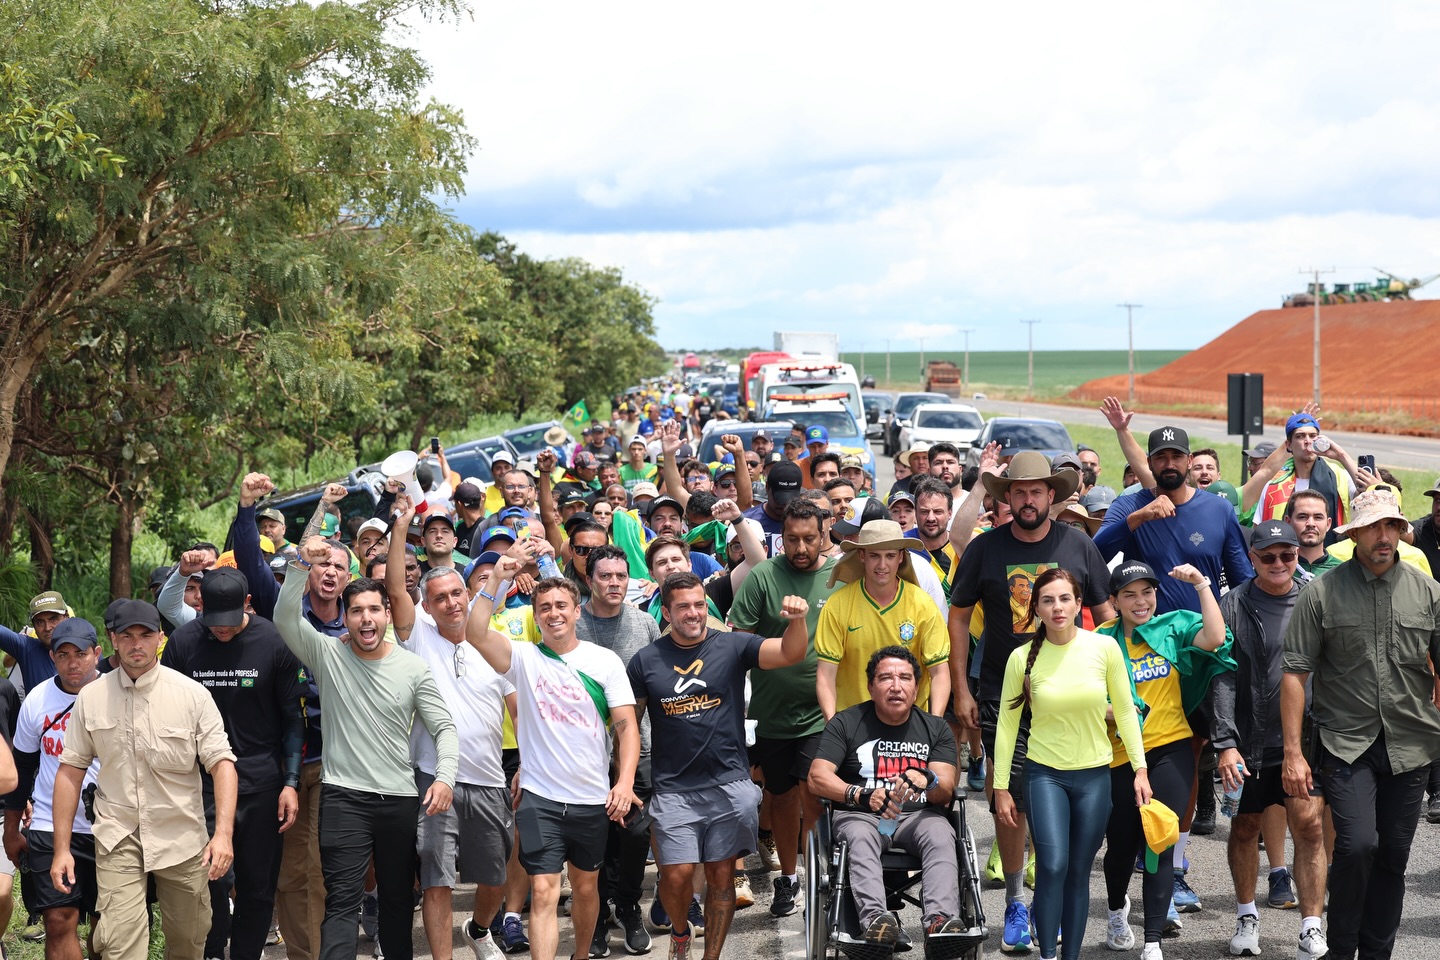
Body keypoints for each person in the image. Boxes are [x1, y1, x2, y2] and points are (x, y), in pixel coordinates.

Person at [948, 452, 1115, 951]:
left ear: (1051, 495)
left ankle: (1052, 903)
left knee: (1060, 800)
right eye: (1018, 492)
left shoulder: (1078, 544)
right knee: (1009, 802)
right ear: (1007, 498)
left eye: (1036, 491)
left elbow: (1107, 617)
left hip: (1071, 697)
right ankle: (1016, 903)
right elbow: (958, 617)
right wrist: (961, 687)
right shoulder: (985, 548)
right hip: (1005, 696)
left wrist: (1112, 686)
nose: (1027, 500)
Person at [275, 538, 458, 960]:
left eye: (374, 609)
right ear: (346, 618)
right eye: (356, 611)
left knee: (397, 900)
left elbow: (444, 727)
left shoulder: (413, 667)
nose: (366, 618)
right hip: (343, 797)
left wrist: (445, 777)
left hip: (399, 800)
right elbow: (284, 616)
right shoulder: (327, 654)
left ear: (387, 615)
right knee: (341, 901)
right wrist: (301, 564)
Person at [1281, 487, 1440, 960]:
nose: (1383, 536)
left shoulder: (1429, 592)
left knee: (1393, 856)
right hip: (1345, 742)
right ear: (1353, 535)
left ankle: (1376, 953)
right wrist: (1293, 754)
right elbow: (1294, 674)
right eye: (1373, 527)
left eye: (1392, 526)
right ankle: (1341, 948)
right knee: (1355, 846)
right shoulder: (1321, 592)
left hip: (1411, 743)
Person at [627, 572, 810, 960]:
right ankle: (680, 933)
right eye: (683, 607)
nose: (693, 613)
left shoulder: (731, 645)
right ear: (666, 612)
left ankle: (710, 957)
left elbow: (790, 653)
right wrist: (624, 778)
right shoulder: (646, 660)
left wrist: (797, 621)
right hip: (674, 788)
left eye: (699, 604)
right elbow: (629, 726)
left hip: (728, 782)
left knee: (721, 876)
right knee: (675, 875)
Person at [465, 565, 641, 960]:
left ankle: (580, 954)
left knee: (585, 888)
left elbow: (627, 727)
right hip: (539, 797)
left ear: (577, 611)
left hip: (591, 797)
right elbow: (475, 632)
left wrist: (625, 782)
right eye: (544, 607)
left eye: (561, 605)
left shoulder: (605, 662)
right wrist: (497, 579)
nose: (553, 613)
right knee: (543, 891)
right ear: (536, 614)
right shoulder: (522, 657)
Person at [52, 600, 232, 960]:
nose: (137, 644)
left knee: (188, 940)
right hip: (118, 837)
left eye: (145, 635)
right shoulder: (92, 697)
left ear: (160, 638)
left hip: (182, 837)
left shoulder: (192, 695)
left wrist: (223, 835)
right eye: (127, 636)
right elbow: (70, 771)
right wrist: (61, 850)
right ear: (113, 639)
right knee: (120, 944)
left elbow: (222, 764)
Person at [992, 569, 1149, 960]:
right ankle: (1048, 954)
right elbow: (1007, 725)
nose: (1057, 607)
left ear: (1079, 604)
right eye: (1047, 600)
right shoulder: (1020, 658)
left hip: (1095, 776)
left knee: (1078, 871)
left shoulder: (1104, 648)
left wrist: (1140, 769)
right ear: (1036, 609)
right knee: (1053, 866)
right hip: (1044, 775)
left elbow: (1125, 711)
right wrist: (1000, 787)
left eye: (1065, 599)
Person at [382, 498, 514, 960]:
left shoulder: (494, 642)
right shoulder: (417, 635)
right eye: (440, 598)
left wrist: (529, 764)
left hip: (489, 778)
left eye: (457, 593)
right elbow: (395, 588)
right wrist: (402, 527)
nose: (451, 603)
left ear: (468, 595)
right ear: (427, 605)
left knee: (495, 877)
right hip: (434, 777)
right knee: (436, 880)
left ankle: (478, 930)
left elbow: (519, 709)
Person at [160, 568, 306, 960]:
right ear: (199, 605)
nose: (221, 629)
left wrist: (290, 782)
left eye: (229, 621)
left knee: (258, 887)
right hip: (201, 784)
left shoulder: (274, 640)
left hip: (261, 782)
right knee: (207, 880)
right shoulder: (183, 643)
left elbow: (293, 718)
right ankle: (211, 950)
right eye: (213, 621)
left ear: (248, 604)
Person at [1097, 562, 1233, 960]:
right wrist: (1114, 711)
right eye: (1129, 595)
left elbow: (1216, 636)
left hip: (1171, 747)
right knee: (1121, 846)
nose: (1141, 602)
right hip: (1120, 755)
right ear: (1114, 601)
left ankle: (1153, 941)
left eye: (1147, 592)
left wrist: (1202, 584)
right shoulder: (1100, 640)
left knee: (1160, 840)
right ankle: (1116, 909)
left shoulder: (1173, 626)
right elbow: (1085, 697)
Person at [1211, 519, 1329, 959]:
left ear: (1298, 554)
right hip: (1249, 740)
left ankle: (1312, 926)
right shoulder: (1232, 604)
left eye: (1288, 554)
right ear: (1253, 558)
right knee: (1245, 827)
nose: (1279, 563)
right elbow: (1221, 676)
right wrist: (1226, 743)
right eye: (1268, 556)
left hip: (1307, 738)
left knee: (1310, 827)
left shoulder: (1316, 598)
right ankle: (1246, 916)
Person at [807, 646, 965, 945]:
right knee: (859, 836)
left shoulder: (936, 728)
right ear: (870, 686)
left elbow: (946, 790)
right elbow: (817, 776)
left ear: (916, 688)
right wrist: (859, 794)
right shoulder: (846, 722)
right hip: (862, 815)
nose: (895, 686)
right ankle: (876, 922)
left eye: (905, 678)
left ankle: (940, 922)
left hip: (918, 816)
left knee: (942, 834)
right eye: (885, 678)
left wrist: (928, 779)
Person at [728, 498, 839, 918]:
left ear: (824, 533)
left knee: (814, 793)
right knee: (781, 797)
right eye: (792, 539)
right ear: (781, 539)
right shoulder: (763, 576)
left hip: (821, 713)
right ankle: (789, 878)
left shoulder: (839, 576)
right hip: (771, 714)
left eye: (809, 538)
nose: (800, 547)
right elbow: (738, 642)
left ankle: (819, 876)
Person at [577, 546, 662, 957]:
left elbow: (660, 682)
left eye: (621, 576)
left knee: (635, 833)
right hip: (583, 753)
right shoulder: (571, 622)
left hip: (638, 749)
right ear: (588, 579)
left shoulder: (645, 623)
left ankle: (628, 906)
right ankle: (594, 918)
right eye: (605, 576)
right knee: (593, 838)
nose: (614, 583)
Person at [1094, 426, 1254, 612]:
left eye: (1177, 456)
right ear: (1149, 463)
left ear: (1189, 460)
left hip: (1203, 627)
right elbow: (1095, 554)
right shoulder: (1129, 506)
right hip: (1146, 627)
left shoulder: (1220, 509)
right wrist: (1139, 517)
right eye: (1161, 457)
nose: (1169, 464)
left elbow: (1242, 581)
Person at [7, 619, 87, 960]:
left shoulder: (115, 692)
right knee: (57, 920)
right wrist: (11, 828)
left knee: (109, 926)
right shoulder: (38, 699)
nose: (72, 663)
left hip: (109, 824)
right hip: (48, 824)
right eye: (63, 655)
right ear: (52, 657)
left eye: (80, 654)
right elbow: (22, 768)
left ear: (97, 653)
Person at [816, 520, 949, 719]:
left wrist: (934, 724)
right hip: (853, 724)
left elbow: (939, 672)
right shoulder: (837, 605)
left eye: (890, 556)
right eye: (874, 556)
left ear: (901, 557)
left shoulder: (923, 604)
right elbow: (825, 674)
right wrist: (833, 724)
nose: (882, 565)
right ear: (862, 556)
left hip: (911, 724)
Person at [1252, 413, 1358, 532]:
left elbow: (1368, 494)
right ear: (1289, 445)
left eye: (1313, 436)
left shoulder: (1339, 477)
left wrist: (1341, 455)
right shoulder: (1273, 485)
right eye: (1300, 436)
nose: (1308, 441)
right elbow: (1258, 531)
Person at [0, 592, 70, 691]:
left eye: (53, 619)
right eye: (40, 622)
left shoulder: (86, 648)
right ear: (34, 626)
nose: (47, 627)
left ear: (67, 617)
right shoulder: (26, 648)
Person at [1286, 489, 1343, 578]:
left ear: (1328, 524)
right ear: (1288, 522)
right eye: (1302, 517)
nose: (1311, 524)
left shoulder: (1343, 572)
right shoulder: (1277, 570)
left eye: (1318, 517)